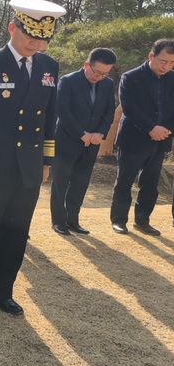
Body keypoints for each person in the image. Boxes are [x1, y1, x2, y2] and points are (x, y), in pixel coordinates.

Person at [0, 0, 63, 318]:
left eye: (42, 37)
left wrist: (47, 161)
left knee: (17, 231)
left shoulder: (49, 66)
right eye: (30, 35)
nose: (35, 42)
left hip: (29, 167)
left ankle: (3, 290)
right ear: (12, 28)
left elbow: (49, 117)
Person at [110, 39, 174, 236]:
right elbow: (129, 107)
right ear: (151, 56)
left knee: (150, 183)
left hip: (161, 139)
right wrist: (151, 128)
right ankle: (119, 220)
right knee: (125, 181)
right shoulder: (131, 77)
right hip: (133, 138)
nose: (167, 66)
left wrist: (165, 130)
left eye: (172, 63)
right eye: (164, 61)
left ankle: (143, 219)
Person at [50, 48, 116, 235]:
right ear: (87, 64)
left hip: (92, 143)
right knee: (60, 182)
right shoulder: (68, 81)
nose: (100, 77)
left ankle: (73, 220)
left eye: (105, 73)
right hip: (67, 140)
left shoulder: (107, 84)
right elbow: (63, 111)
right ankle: (58, 221)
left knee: (81, 182)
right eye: (97, 72)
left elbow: (109, 112)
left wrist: (100, 133)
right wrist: (81, 133)